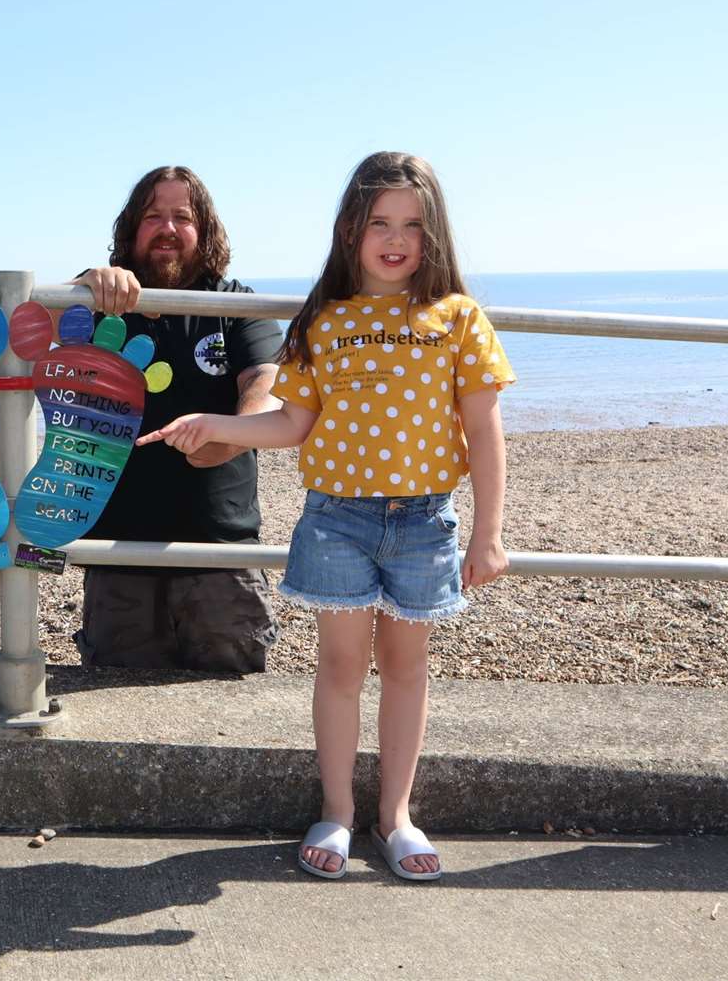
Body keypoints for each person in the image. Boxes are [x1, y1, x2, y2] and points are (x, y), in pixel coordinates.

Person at [139, 151, 515, 882]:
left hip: (422, 522)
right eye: (379, 222)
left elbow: (484, 430)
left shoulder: (458, 319)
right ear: (351, 230)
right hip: (335, 521)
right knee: (341, 668)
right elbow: (290, 425)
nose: (395, 238)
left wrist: (489, 532)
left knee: (406, 670)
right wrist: (212, 424)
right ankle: (339, 811)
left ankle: (396, 814)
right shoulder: (324, 319)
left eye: (412, 224)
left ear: (434, 234)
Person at [67, 166, 285, 673]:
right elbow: (23, 330)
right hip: (118, 551)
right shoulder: (100, 303)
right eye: (153, 216)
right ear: (131, 230)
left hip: (219, 551)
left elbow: (266, 383)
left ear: (204, 231)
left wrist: (231, 436)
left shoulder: (234, 304)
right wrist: (81, 285)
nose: (168, 228)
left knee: (228, 713)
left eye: (182, 217)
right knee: (113, 720)